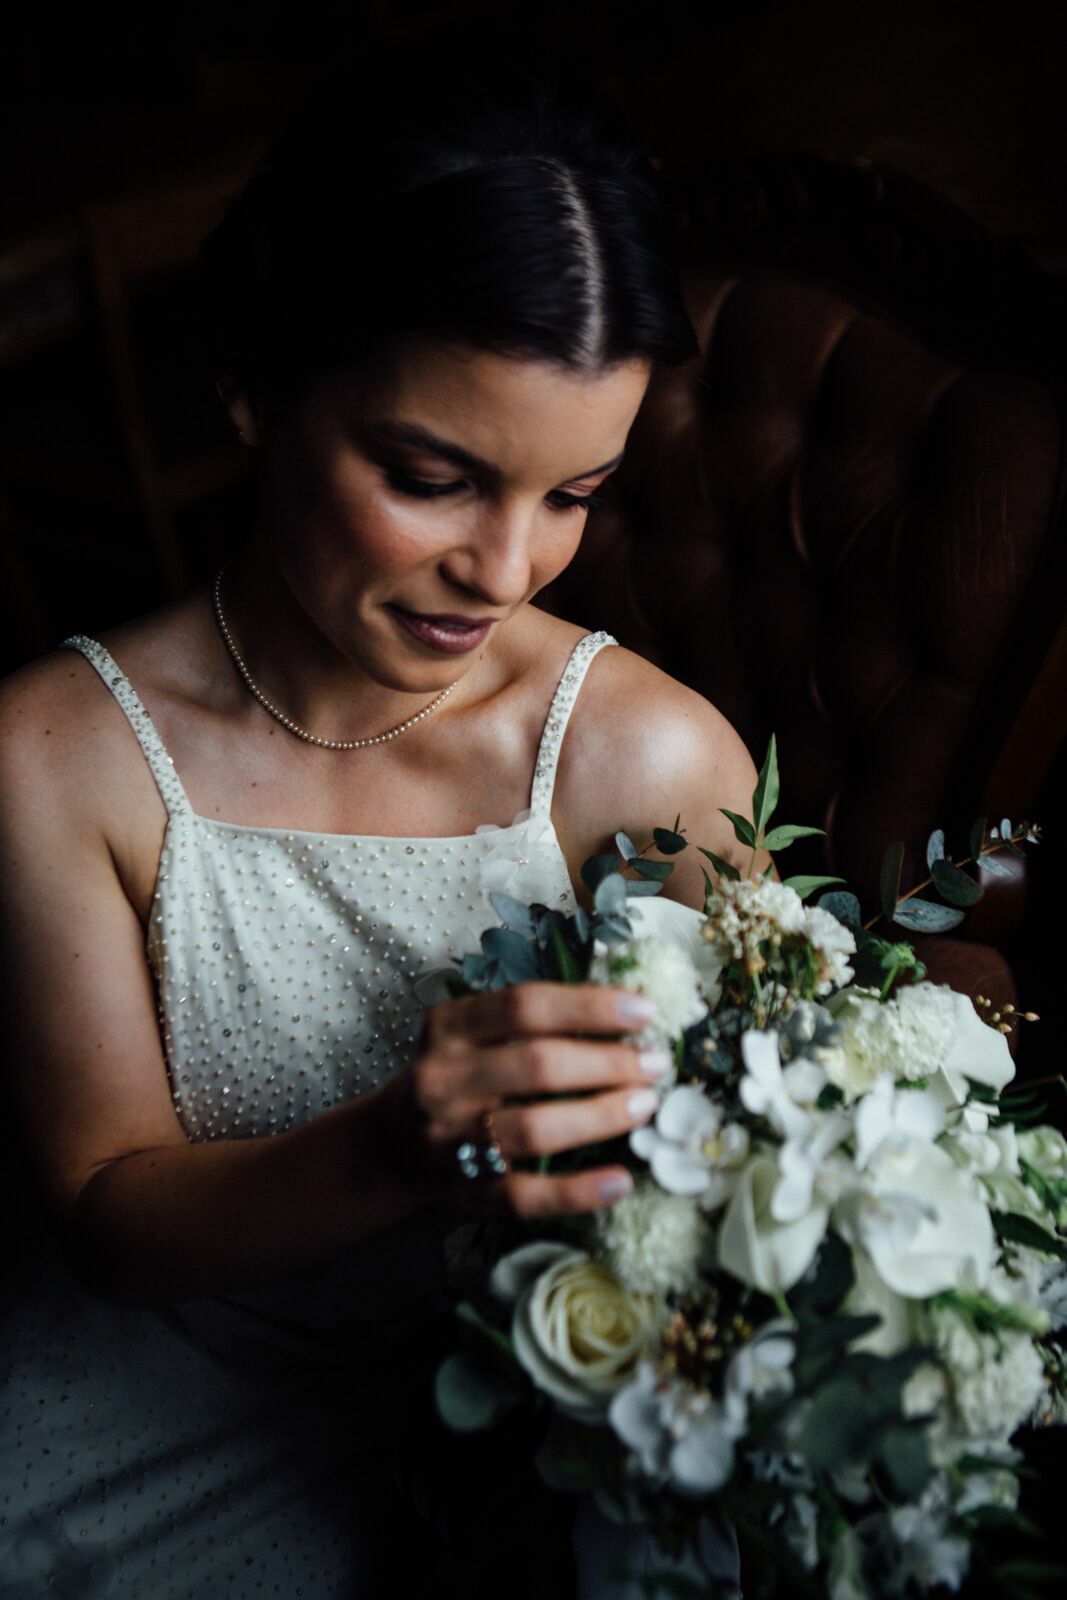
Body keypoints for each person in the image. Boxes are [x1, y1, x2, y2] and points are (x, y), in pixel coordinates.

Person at [0, 33, 758, 1598]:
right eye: (432, 476)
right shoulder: (52, 753)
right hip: (151, 1405)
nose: (506, 570)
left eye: (572, 496)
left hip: (562, 1451)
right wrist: (399, 1154)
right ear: (254, 392)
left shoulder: (652, 764)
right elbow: (107, 1219)